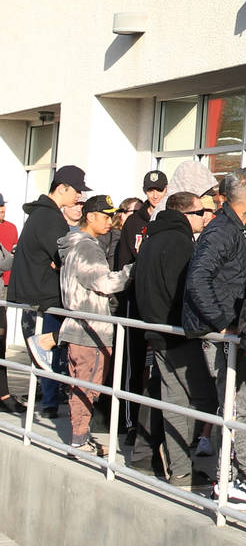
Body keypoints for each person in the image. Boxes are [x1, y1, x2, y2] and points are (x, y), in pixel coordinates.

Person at [183, 167, 246, 510]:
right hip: (221, 336)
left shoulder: (235, 227)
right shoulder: (223, 230)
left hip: (232, 332)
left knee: (240, 404)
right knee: (235, 405)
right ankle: (227, 481)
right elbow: (197, 279)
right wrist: (221, 323)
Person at [135, 191, 219, 487]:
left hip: (156, 332)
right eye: (200, 213)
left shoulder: (151, 239)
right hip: (177, 333)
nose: (205, 218)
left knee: (175, 401)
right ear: (184, 214)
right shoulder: (180, 242)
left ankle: (181, 470)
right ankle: (186, 467)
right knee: (208, 400)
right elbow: (186, 289)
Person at [11, 164, 90, 419]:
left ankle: (51, 400)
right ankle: (50, 401)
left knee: (52, 350)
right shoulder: (49, 216)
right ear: (62, 188)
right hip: (45, 296)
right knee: (52, 346)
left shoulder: (42, 213)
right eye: (76, 190)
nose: (78, 196)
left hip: (38, 294)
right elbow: (64, 256)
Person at [57, 196, 133, 456]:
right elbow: (104, 283)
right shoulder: (88, 247)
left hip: (78, 326)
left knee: (82, 384)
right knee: (87, 387)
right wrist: (132, 271)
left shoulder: (75, 244)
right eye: (105, 216)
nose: (110, 221)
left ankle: (80, 436)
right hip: (90, 329)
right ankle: (79, 441)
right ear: (90, 217)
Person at [115, 170, 168, 449]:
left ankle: (157, 425)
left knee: (159, 366)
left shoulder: (169, 219)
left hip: (159, 302)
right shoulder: (134, 222)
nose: (155, 194)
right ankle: (129, 421)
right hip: (134, 299)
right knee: (133, 363)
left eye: (159, 189)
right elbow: (123, 262)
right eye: (150, 190)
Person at [0, 193, 24, 414]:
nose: (2, 210)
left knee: (2, 343)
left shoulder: (10, 228)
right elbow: (6, 260)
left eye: (3, 206)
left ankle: (3, 393)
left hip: (4, 289)